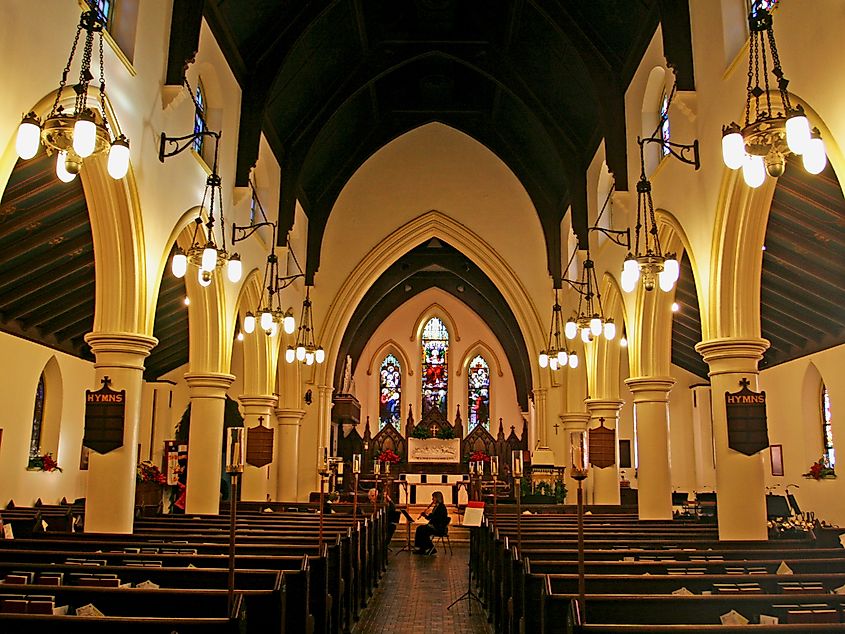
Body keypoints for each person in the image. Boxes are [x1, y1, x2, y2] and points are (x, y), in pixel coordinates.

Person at [414, 490, 448, 555]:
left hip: (439, 528)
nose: (432, 499)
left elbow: (438, 518)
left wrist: (431, 522)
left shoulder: (441, 507)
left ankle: (431, 548)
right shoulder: (436, 507)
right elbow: (431, 517)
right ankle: (421, 548)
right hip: (434, 526)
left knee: (423, 530)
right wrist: (425, 515)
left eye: (433, 497)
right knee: (419, 528)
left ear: (437, 498)